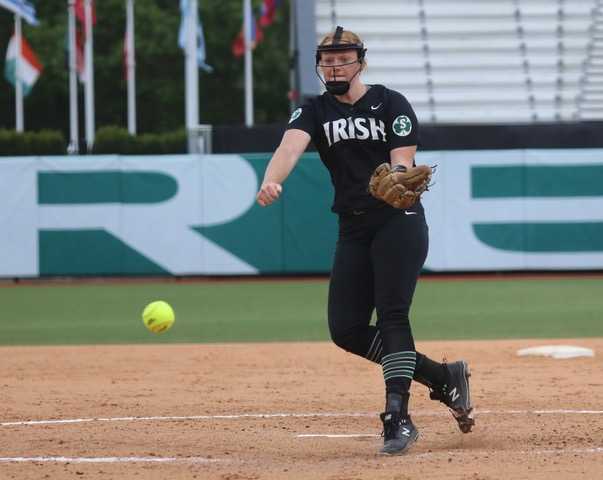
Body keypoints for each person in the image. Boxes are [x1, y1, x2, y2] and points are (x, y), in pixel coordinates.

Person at [256, 26, 474, 455]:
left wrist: (395, 177)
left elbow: (402, 162)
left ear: (361, 61)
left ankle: (398, 417)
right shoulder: (314, 111)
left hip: (398, 219)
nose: (334, 66)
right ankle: (441, 376)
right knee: (347, 328)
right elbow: (289, 148)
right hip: (353, 226)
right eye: (327, 60)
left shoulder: (391, 102)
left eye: (343, 59)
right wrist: (271, 181)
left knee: (393, 314)